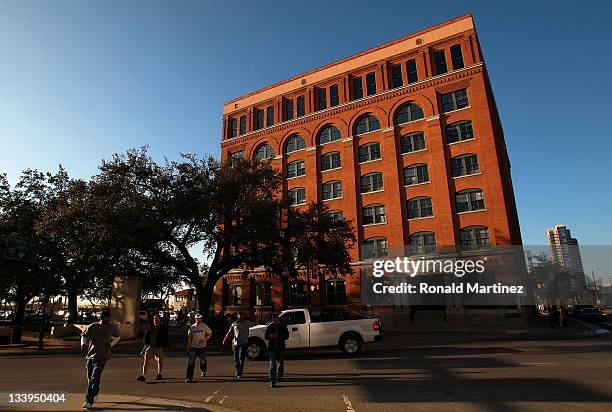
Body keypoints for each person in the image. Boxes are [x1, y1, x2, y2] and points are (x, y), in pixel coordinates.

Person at [80, 310, 120, 409]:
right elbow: (84, 336)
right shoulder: (93, 326)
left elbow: (118, 337)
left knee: (95, 376)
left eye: (109, 318)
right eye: (106, 317)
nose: (108, 319)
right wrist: (83, 344)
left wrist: (110, 344)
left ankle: (89, 400)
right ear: (101, 318)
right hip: (91, 355)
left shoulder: (112, 327)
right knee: (91, 378)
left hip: (103, 356)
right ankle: (95, 390)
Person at [136, 314, 169, 382]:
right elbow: (146, 335)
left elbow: (166, 337)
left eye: (156, 318)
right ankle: (143, 375)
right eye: (154, 319)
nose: (155, 320)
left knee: (159, 360)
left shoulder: (162, 328)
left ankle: (159, 374)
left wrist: (165, 345)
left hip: (158, 347)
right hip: (150, 346)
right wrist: (146, 343)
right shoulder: (150, 327)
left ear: (159, 320)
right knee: (146, 360)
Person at [222, 311, 255, 378]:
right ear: (237, 316)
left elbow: (255, 324)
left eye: (242, 315)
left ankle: (240, 372)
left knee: (241, 357)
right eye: (239, 315)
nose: (241, 316)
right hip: (235, 343)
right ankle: (238, 369)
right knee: (236, 358)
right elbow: (230, 332)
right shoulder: (234, 323)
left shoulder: (247, 322)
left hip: (244, 342)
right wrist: (225, 339)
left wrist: (256, 316)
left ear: (244, 316)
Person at [185, 313, 212, 383]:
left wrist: (205, 338)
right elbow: (189, 337)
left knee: (203, 360)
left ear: (201, 319)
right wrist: (188, 347)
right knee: (191, 362)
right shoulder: (192, 327)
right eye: (197, 318)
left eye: (199, 318)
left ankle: (203, 370)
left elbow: (210, 333)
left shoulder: (204, 326)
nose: (198, 319)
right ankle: (189, 377)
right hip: (193, 347)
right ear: (195, 319)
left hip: (202, 347)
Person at [265, 313, 289, 387]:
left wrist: (279, 336)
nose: (273, 320)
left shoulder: (283, 326)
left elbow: (287, 336)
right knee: (273, 365)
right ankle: (272, 381)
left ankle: (280, 374)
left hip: (280, 347)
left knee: (280, 363)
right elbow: (266, 336)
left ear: (278, 319)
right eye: (272, 319)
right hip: (272, 348)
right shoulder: (270, 327)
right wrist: (270, 336)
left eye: (275, 318)